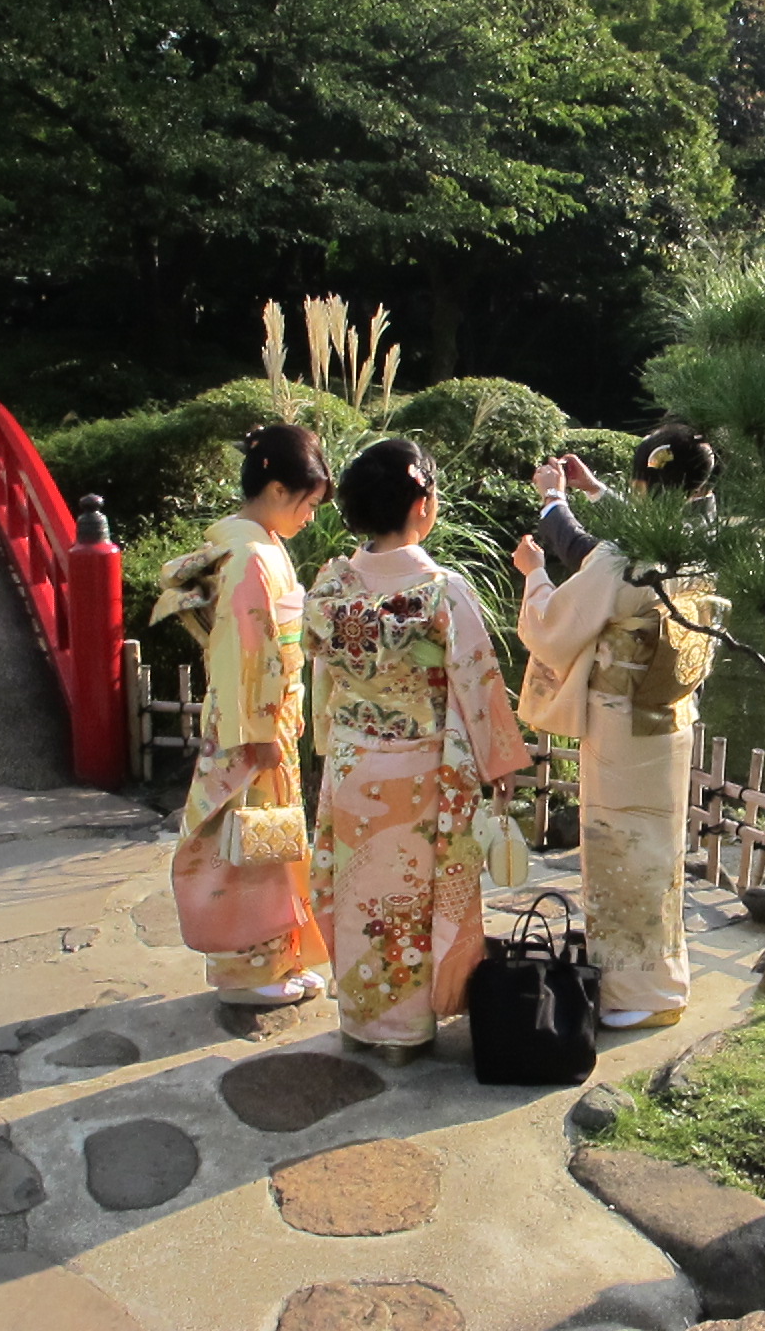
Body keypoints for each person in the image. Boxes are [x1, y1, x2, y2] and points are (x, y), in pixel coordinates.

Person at [304, 439, 530, 1064]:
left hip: (352, 762)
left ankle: (360, 1018)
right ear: (424, 505)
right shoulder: (438, 591)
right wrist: (497, 764)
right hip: (419, 766)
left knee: (358, 889)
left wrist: (335, 734)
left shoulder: (331, 585)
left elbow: (327, 674)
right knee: (410, 893)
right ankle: (404, 1032)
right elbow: (477, 680)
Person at [512, 424, 723, 1030]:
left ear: (642, 481)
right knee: (660, 849)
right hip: (672, 716)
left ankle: (634, 992)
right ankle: (663, 979)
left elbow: (552, 626)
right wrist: (593, 492)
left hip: (621, 720)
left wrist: (533, 571)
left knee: (618, 848)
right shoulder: (701, 537)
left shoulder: (624, 556)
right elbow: (623, 547)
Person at [154, 425, 332, 1006]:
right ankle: (246, 974)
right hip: (250, 724)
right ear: (278, 490)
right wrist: (257, 734)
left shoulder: (254, 545)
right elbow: (245, 652)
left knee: (270, 842)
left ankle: (276, 959)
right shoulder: (252, 555)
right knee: (246, 845)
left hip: (262, 716)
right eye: (307, 502)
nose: (309, 515)